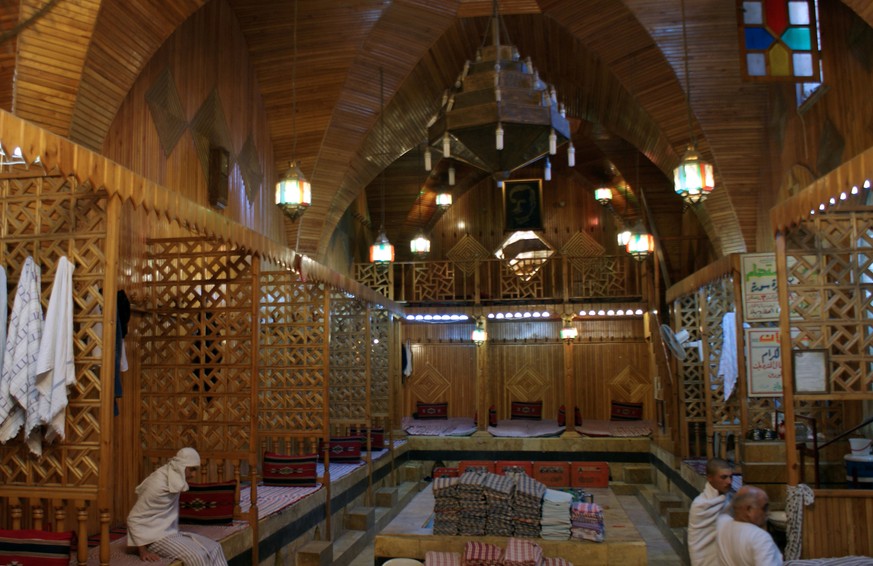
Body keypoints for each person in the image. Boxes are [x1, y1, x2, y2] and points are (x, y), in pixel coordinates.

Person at [127, 447, 228, 565]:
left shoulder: (174, 477)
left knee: (215, 548)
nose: (194, 475)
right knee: (197, 556)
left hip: (170, 533)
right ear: (182, 467)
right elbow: (133, 518)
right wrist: (143, 551)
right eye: (192, 470)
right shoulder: (157, 484)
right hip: (154, 539)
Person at [716, 485, 783, 566]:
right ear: (749, 510)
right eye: (764, 508)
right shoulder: (760, 538)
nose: (767, 513)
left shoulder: (722, 523)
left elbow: (731, 507)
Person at [687, 458, 734, 566]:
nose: (729, 482)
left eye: (731, 477)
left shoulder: (730, 500)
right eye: (723, 477)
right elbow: (697, 543)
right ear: (710, 478)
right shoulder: (700, 505)